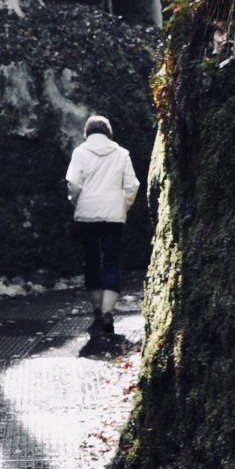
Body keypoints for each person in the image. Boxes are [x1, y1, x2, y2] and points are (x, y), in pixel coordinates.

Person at [65, 114, 139, 334]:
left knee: (91, 259)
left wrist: (76, 202)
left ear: (87, 132)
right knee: (111, 260)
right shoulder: (122, 154)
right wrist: (122, 205)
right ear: (109, 132)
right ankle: (109, 311)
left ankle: (96, 307)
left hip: (87, 212)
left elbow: (74, 183)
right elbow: (132, 185)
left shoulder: (80, 152)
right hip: (113, 214)